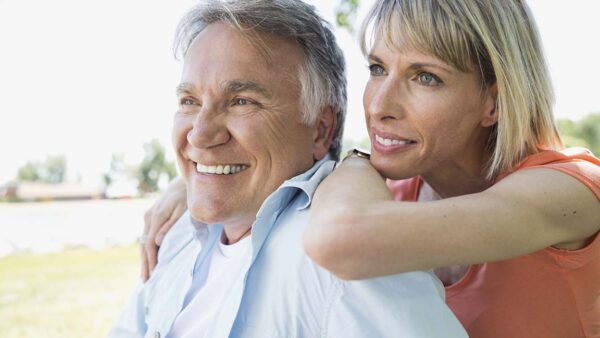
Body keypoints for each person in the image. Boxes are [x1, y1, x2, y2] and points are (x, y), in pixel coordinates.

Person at [142, 0, 600, 337]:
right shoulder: (397, 196)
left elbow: (338, 239)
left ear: (494, 101)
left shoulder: (570, 190)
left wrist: (356, 161)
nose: (380, 104)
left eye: (426, 77)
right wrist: (199, 181)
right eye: (378, 68)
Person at [111, 1, 467, 337]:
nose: (200, 135)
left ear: (320, 129)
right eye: (190, 101)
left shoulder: (350, 263)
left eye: (241, 102)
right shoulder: (179, 237)